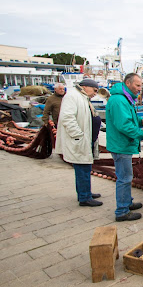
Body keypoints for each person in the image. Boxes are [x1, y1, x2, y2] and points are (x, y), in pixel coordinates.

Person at [106, 73, 143, 222]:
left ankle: (127, 202)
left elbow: (128, 118)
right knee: (124, 178)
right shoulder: (119, 100)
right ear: (128, 83)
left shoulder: (124, 98)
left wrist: (140, 121)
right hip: (121, 146)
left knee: (125, 176)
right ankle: (122, 211)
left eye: (141, 85)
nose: (140, 89)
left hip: (122, 144)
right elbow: (124, 125)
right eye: (137, 85)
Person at [55, 79, 103, 207]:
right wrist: (78, 135)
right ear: (85, 87)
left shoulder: (82, 97)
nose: (95, 94)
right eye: (94, 90)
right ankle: (84, 197)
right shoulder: (72, 96)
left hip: (86, 139)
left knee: (85, 167)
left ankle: (85, 192)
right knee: (82, 167)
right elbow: (67, 117)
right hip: (80, 139)